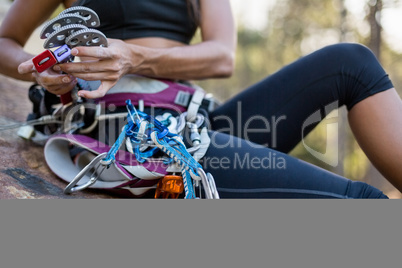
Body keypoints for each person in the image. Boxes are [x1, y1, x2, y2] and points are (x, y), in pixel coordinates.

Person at [0, 0, 401, 198]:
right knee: (363, 202)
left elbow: (222, 55)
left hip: (196, 121)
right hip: (128, 132)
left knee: (350, 63)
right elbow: (6, 40)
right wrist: (36, 66)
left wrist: (136, 56)